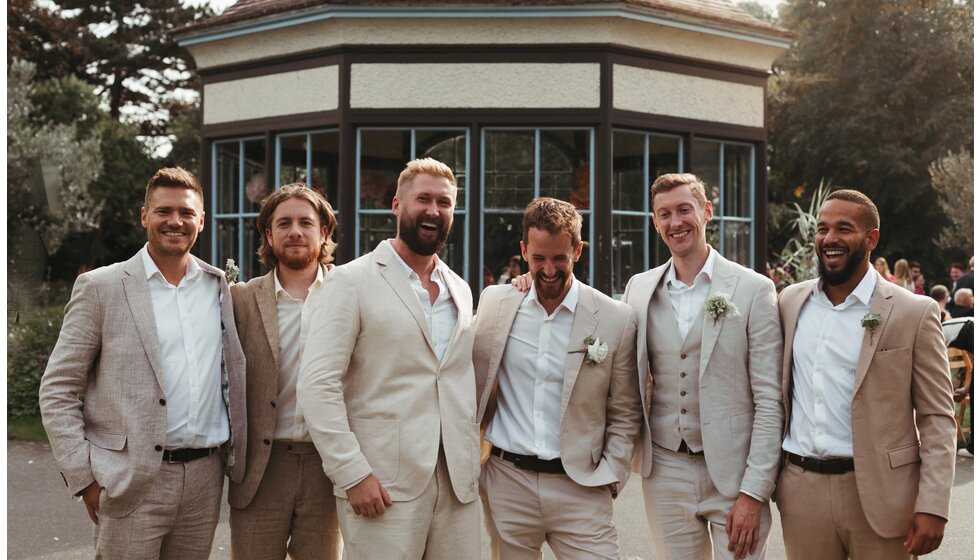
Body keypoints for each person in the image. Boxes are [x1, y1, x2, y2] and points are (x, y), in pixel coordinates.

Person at [38, 167, 247, 559]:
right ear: (144, 216)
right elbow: (58, 388)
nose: (175, 221)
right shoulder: (101, 287)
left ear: (201, 220)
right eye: (163, 211)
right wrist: (86, 479)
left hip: (205, 480)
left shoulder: (219, 287)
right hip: (129, 480)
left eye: (186, 213)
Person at [297, 158, 480, 559]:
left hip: (457, 487)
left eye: (445, 203)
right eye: (424, 199)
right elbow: (316, 385)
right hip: (381, 486)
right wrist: (352, 474)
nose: (434, 210)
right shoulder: (351, 281)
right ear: (397, 205)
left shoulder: (461, 290)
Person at [775, 189, 956, 559]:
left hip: (883, 493)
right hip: (801, 492)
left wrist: (933, 504)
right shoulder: (790, 302)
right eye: (822, 229)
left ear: (871, 238)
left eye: (844, 229)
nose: (829, 238)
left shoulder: (913, 312)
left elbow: (938, 417)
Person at [621, 173, 783, 560]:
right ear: (654, 222)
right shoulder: (638, 289)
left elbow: (769, 400)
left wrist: (753, 491)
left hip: (733, 474)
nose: (675, 222)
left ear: (706, 212)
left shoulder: (753, 289)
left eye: (683, 210)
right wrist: (526, 280)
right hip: (665, 470)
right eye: (664, 214)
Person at [474, 197, 642, 559]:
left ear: (577, 251)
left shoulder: (616, 318)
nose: (548, 270)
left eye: (559, 259)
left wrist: (610, 477)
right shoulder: (496, 302)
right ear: (523, 251)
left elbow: (626, 410)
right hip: (507, 483)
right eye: (538, 259)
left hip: (581, 487)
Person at [228, 184, 341, 559]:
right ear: (269, 234)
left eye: (305, 222)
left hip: (327, 467)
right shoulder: (240, 299)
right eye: (284, 223)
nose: (295, 231)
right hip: (262, 468)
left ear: (323, 232)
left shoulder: (349, 292)